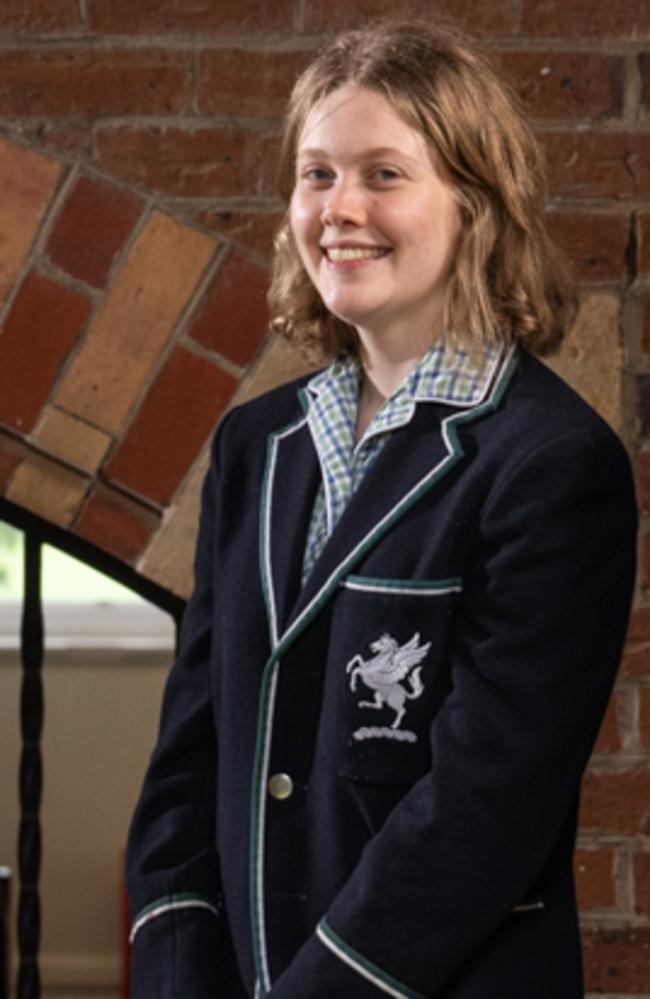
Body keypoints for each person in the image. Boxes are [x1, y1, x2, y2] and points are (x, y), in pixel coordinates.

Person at [126, 19, 637, 999]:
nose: (338, 208)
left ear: (474, 206)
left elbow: (482, 809)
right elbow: (185, 777)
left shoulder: (549, 464)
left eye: (383, 174)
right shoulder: (256, 447)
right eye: (316, 174)